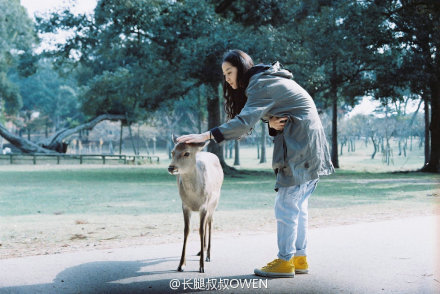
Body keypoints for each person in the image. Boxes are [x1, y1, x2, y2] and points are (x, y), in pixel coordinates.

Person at [177, 49, 334, 278]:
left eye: (229, 72)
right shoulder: (267, 80)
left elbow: (243, 123)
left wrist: (206, 135)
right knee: (298, 207)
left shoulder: (260, 84)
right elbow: (281, 112)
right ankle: (298, 258)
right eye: (224, 74)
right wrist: (271, 122)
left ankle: (284, 261)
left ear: (242, 69)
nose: (227, 78)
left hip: (300, 148)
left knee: (286, 206)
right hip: (310, 146)